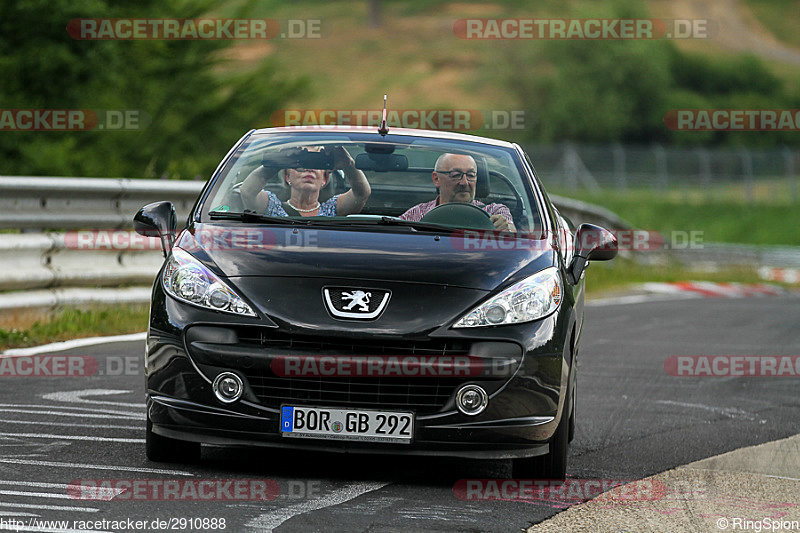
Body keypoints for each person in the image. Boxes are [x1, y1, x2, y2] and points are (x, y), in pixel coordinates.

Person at [240, 145, 370, 217]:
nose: (309, 169)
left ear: (324, 179)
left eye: (317, 164)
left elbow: (362, 193)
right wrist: (278, 161)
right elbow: (247, 191)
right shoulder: (271, 206)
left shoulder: (333, 209)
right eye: (301, 164)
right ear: (287, 177)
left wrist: (349, 165)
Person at [399, 153, 515, 231]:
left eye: (470, 175)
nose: (464, 182)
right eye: (455, 175)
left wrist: (506, 229)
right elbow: (395, 238)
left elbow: (512, 232)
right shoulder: (416, 214)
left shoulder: (494, 211)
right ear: (436, 179)